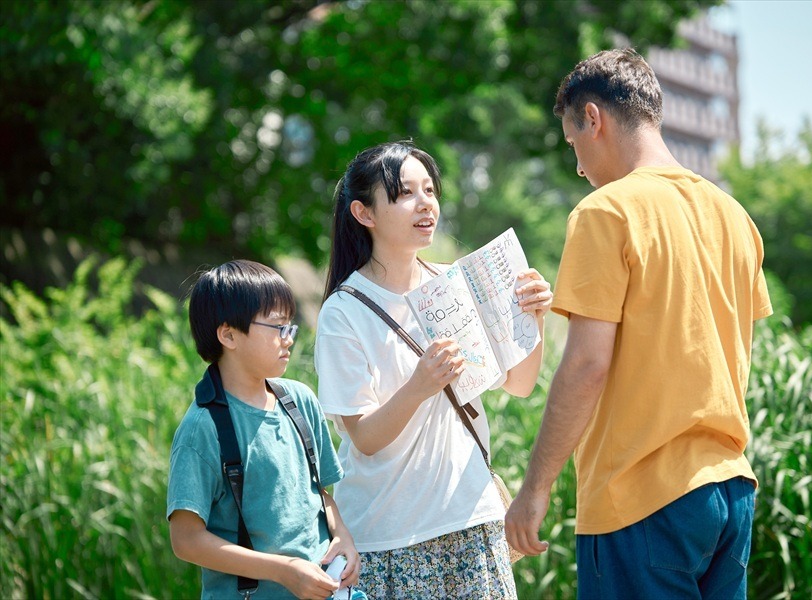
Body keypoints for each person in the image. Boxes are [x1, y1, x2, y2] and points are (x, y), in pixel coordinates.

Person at [505, 48, 773, 599]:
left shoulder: (606, 211)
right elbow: (737, 357)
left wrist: (535, 488)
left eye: (574, 143)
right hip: (731, 492)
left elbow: (585, 365)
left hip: (641, 500)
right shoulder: (735, 217)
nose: (579, 167)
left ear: (594, 119)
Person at [314, 141, 553, 599]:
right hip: (390, 536)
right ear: (364, 213)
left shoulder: (456, 283)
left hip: (473, 519)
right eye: (405, 193)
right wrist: (419, 386)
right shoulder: (344, 311)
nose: (426, 203)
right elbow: (362, 436)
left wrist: (532, 319)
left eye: (430, 189)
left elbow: (521, 384)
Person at [167, 259, 360, 599]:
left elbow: (320, 493)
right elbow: (186, 540)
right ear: (228, 335)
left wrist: (341, 534)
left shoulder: (300, 400)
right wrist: (283, 570)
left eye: (292, 326)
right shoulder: (203, 428)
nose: (289, 339)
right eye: (277, 327)